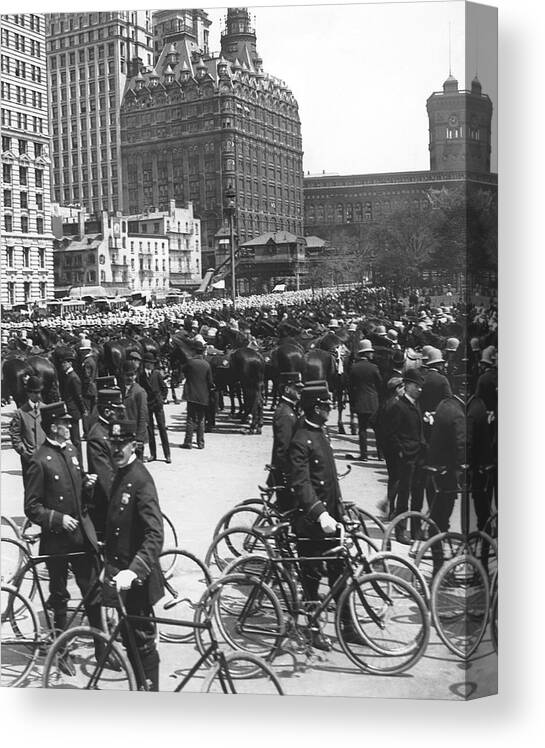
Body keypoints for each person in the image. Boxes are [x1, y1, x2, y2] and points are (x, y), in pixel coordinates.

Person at [24, 401, 103, 675]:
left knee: (92, 591)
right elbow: (32, 507)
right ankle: (62, 651)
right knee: (59, 598)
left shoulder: (71, 450)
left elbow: (77, 493)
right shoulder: (39, 459)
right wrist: (57, 519)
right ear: (52, 427)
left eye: (69, 423)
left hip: (81, 535)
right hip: (57, 541)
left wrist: (88, 487)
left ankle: (103, 650)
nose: (69, 427)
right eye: (64, 423)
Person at [289, 382, 364, 650]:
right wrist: (320, 513)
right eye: (325, 405)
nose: (329, 409)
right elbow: (302, 483)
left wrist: (340, 508)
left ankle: (347, 626)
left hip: (332, 518)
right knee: (311, 578)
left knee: (340, 572)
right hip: (311, 523)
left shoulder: (321, 434)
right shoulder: (301, 440)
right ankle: (312, 628)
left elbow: (330, 478)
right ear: (313, 407)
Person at [104, 419, 164, 691]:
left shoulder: (140, 479)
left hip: (136, 581)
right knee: (130, 640)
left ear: (134, 446)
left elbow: (155, 534)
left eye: (122, 444)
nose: (116, 449)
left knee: (142, 641)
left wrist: (134, 569)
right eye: (113, 443)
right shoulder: (120, 473)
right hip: (121, 577)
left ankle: (151, 694)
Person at [427, 375, 466, 574]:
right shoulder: (457, 413)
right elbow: (461, 446)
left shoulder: (443, 407)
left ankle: (438, 565)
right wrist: (462, 470)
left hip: (434, 471)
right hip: (447, 474)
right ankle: (439, 569)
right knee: (442, 520)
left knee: (437, 519)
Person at [387, 368, 427, 543]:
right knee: (404, 496)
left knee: (418, 495)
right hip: (406, 459)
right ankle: (400, 531)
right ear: (408, 385)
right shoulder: (398, 406)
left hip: (419, 457)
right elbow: (391, 434)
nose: (420, 389)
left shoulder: (416, 405)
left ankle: (416, 531)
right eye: (417, 386)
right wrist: (401, 452)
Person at [86, 388, 124, 538]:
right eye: (117, 410)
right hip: (105, 504)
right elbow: (106, 478)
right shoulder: (97, 436)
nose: (121, 414)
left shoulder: (110, 430)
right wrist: (120, 503)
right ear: (107, 412)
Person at [267, 371, 304, 511]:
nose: (300, 391)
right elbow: (284, 448)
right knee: (288, 511)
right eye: (297, 388)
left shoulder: (289, 409)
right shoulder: (285, 414)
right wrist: (290, 474)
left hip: (284, 471)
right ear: (287, 389)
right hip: (284, 473)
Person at [348, 339, 383, 461]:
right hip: (373, 402)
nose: (372, 354)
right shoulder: (374, 368)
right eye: (370, 352)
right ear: (367, 353)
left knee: (362, 429)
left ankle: (364, 455)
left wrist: (352, 403)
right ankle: (380, 455)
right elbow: (380, 385)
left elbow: (350, 388)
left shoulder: (354, 368)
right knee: (378, 430)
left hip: (360, 401)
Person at [9, 375, 46, 489]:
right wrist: (24, 452)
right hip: (29, 460)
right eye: (35, 393)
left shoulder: (45, 409)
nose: (38, 395)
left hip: (45, 459)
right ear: (29, 393)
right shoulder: (20, 413)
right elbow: (15, 435)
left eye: (39, 392)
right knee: (31, 492)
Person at [181, 339, 215, 450]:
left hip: (191, 393)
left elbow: (184, 373)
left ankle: (188, 442)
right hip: (203, 395)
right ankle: (200, 443)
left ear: (194, 351)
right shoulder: (206, 364)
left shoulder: (190, 362)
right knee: (201, 419)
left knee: (190, 419)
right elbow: (210, 382)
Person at [139, 352, 170, 463]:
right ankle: (153, 454)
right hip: (148, 405)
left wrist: (162, 399)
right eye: (149, 363)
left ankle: (167, 455)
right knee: (150, 430)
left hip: (157, 404)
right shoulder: (141, 375)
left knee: (162, 428)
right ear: (145, 363)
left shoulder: (157, 374)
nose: (150, 365)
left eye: (152, 363)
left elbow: (164, 388)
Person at [59, 348, 86, 454]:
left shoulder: (73, 377)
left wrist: (83, 409)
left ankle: (80, 466)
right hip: (70, 409)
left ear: (70, 363)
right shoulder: (68, 376)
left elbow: (78, 396)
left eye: (64, 363)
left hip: (73, 410)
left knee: (76, 440)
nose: (62, 365)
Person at [123, 360, 148, 461]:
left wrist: (139, 438)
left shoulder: (139, 392)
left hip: (135, 435)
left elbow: (143, 416)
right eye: (127, 375)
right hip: (125, 434)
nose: (130, 378)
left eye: (132, 375)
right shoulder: (121, 389)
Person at [78, 339, 97, 431]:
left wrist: (82, 388)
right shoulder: (92, 360)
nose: (81, 352)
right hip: (93, 388)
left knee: (86, 411)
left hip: (87, 389)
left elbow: (87, 377)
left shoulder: (87, 362)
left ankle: (87, 430)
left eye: (82, 350)